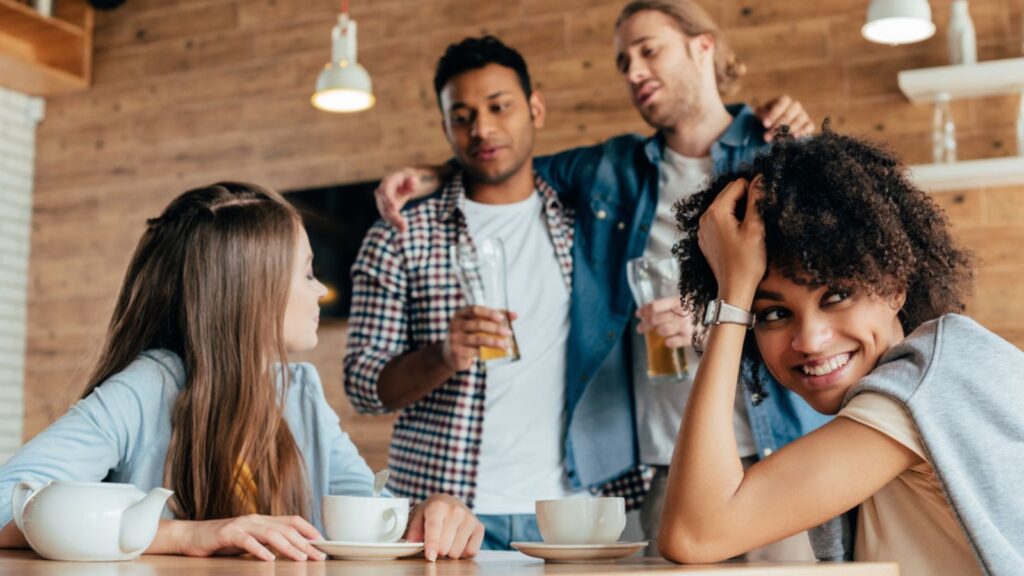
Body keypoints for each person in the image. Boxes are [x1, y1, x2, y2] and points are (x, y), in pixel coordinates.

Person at [374, 1, 826, 558]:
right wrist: (431, 174)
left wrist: (712, 321)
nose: (633, 70)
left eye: (649, 50)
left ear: (703, 46)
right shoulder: (616, 168)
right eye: (623, 61)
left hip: (775, 450)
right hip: (667, 461)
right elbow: (507, 161)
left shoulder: (777, 154)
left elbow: (821, 301)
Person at [0, 183, 483, 562]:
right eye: (308, 273)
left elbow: (366, 514)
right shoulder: (148, 386)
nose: (320, 292)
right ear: (254, 292)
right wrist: (187, 534)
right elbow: (6, 503)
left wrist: (430, 512)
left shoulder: (302, 392)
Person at [660, 127, 1022, 575]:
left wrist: (733, 297)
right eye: (772, 314)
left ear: (893, 285)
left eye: (835, 297)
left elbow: (695, 532)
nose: (809, 340)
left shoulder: (924, 386)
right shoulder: (921, 380)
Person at [344, 37, 652, 551]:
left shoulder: (588, 224)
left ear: (535, 109)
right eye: (461, 116)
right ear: (445, 129)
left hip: (575, 513)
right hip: (443, 516)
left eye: (499, 107)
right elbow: (362, 385)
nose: (482, 128)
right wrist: (442, 356)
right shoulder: (400, 233)